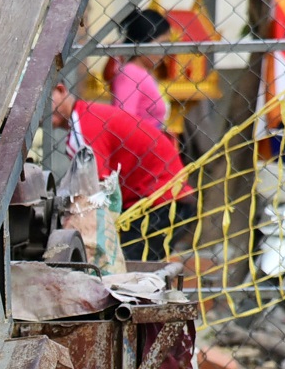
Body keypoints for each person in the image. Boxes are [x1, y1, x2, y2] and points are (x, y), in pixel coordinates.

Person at [51, 82, 193, 262]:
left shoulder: (83, 125)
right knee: (126, 267)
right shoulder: (88, 115)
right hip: (162, 198)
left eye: (44, 102)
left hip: (159, 203)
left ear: (61, 89)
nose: (39, 113)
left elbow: (95, 189)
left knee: (120, 269)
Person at [109, 8, 171, 132]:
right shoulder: (130, 73)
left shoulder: (144, 73)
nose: (164, 52)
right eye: (160, 44)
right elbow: (123, 122)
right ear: (141, 43)